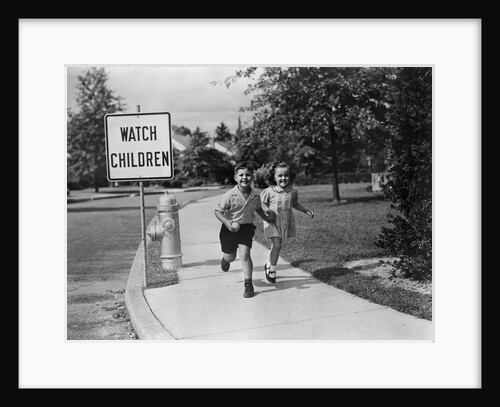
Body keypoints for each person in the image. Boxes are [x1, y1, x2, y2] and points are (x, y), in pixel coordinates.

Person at [214, 161, 274, 298]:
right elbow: (218, 211)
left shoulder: (255, 196)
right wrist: (227, 222)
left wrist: (267, 218)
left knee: (245, 255)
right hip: (229, 228)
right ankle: (225, 259)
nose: (244, 177)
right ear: (235, 178)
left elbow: (258, 209)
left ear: (252, 177)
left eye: (248, 175)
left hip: (246, 228)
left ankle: (248, 284)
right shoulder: (229, 195)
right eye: (241, 175)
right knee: (231, 256)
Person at [260, 161, 314, 283]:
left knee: (276, 246)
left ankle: (268, 264)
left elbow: (294, 204)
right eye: (280, 175)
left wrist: (306, 210)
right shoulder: (269, 191)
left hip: (284, 221)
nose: (283, 178)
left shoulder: (292, 192)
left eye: (286, 175)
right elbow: (261, 204)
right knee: (277, 245)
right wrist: (267, 210)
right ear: (273, 177)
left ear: (290, 176)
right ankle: (272, 271)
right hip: (272, 221)